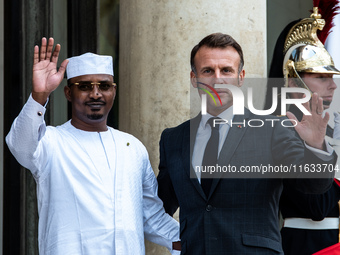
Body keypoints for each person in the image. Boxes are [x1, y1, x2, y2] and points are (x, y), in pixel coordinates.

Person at [157, 31, 336, 254]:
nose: (218, 79)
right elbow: (159, 205)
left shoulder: (273, 129)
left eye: (226, 71)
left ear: (241, 77)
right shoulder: (173, 139)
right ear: (194, 79)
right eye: (207, 71)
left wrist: (315, 147)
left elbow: (313, 185)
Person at [6, 37, 181, 255]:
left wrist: (192, 238)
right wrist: (39, 97)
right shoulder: (51, 142)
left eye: (105, 86)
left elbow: (150, 215)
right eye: (85, 86)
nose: (96, 93)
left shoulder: (133, 147)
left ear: (114, 92)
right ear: (69, 93)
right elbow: (19, 145)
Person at [264, 4, 340, 255]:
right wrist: (317, 145)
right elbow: (317, 205)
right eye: (321, 77)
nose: (333, 86)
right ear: (293, 80)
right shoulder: (280, 128)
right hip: (312, 246)